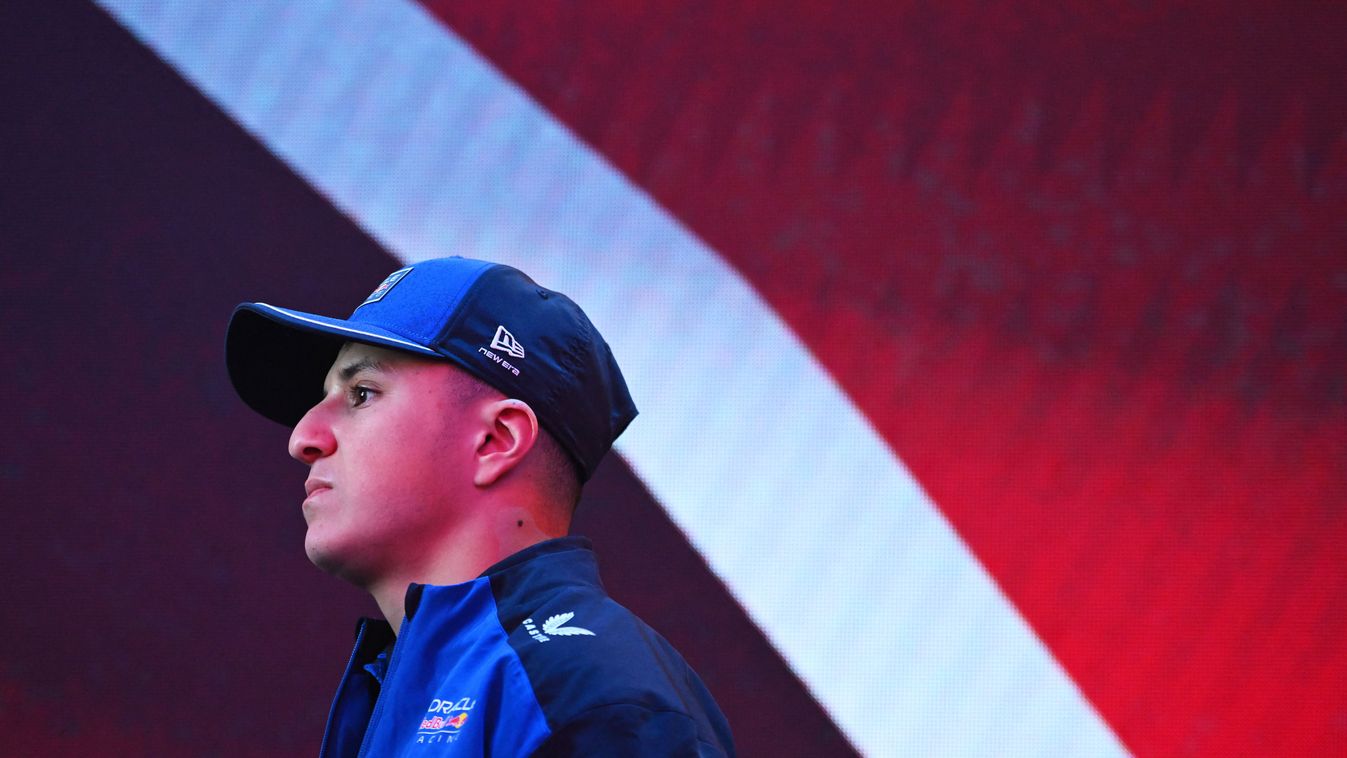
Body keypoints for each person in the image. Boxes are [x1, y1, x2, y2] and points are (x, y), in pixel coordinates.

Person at [225, 256, 735, 756]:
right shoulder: (428, 688)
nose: (303, 438)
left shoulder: (591, 698)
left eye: (361, 393)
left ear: (496, 440)